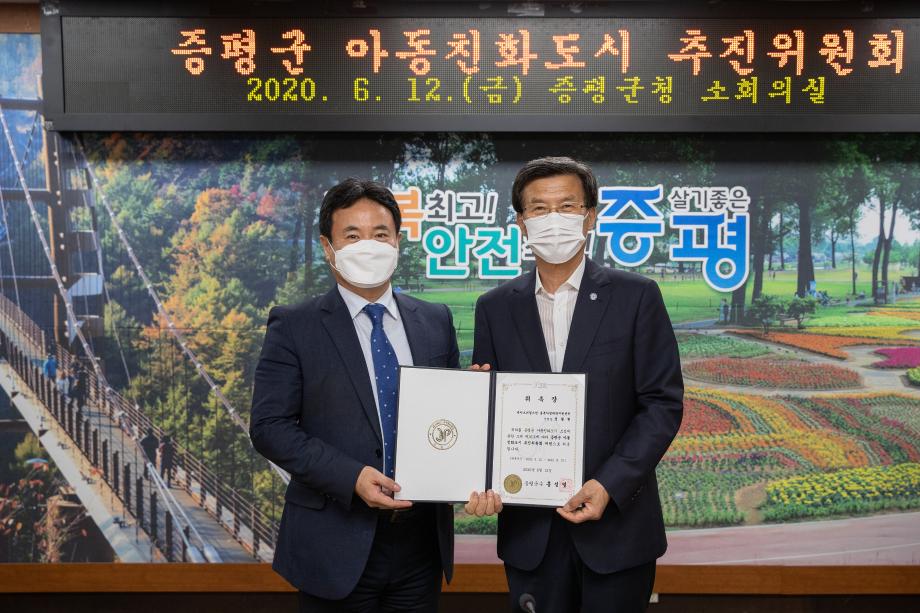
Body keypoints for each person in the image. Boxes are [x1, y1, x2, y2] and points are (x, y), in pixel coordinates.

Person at [250, 178, 492, 612]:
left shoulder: (434, 320)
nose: (369, 246)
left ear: (397, 241)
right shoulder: (295, 325)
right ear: (328, 247)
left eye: (380, 234)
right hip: (334, 541)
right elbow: (269, 428)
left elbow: (446, 418)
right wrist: (351, 477)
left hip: (420, 544)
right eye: (352, 236)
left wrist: (475, 405)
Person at [472, 157, 684, 613]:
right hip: (531, 534)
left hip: (618, 531)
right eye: (539, 208)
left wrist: (609, 484)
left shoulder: (636, 296)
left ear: (590, 216)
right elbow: (487, 411)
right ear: (521, 223)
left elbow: (661, 404)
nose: (554, 219)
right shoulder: (494, 307)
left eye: (567, 206)